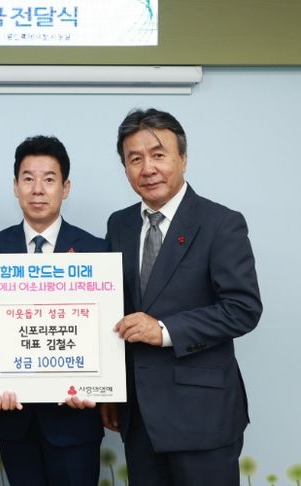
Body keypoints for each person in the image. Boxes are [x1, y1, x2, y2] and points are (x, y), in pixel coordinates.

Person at [102, 108, 262, 485]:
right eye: (135, 159)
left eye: (158, 155)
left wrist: (164, 330)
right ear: (125, 168)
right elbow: (112, 308)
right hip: (139, 415)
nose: (147, 168)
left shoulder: (221, 223)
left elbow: (243, 309)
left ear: (183, 159)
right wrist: (109, 387)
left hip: (202, 415)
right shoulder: (119, 224)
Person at [0, 135, 107, 486]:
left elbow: (104, 332)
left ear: (66, 188)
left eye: (49, 179)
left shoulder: (97, 250)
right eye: (28, 179)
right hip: (12, 417)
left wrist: (96, 386)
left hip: (75, 419)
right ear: (15, 186)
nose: (38, 189)